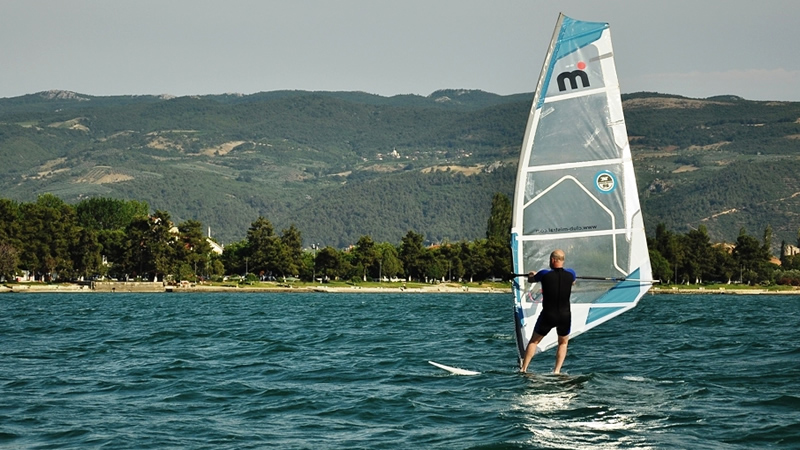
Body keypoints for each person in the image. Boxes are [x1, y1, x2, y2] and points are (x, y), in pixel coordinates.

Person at [519, 249, 576, 374]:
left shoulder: (544, 274)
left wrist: (531, 274)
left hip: (548, 315)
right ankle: (557, 371)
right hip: (565, 316)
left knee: (534, 341)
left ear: (552, 260)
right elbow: (573, 281)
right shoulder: (571, 273)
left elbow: (531, 280)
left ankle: (524, 369)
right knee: (563, 342)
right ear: (562, 260)